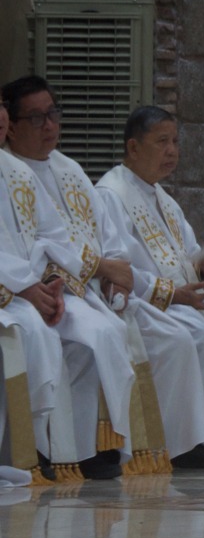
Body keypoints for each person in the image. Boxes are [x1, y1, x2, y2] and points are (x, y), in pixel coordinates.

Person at [94, 106, 204, 466]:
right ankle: (187, 441)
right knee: (196, 334)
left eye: (175, 141)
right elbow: (117, 268)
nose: (172, 150)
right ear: (134, 148)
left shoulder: (166, 201)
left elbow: (191, 258)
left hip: (185, 297)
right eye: (162, 142)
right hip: (144, 301)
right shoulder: (111, 194)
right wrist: (172, 294)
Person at [3, 76, 145, 478]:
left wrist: (113, 269)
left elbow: (82, 233)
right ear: (12, 125)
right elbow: (40, 246)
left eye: (53, 114)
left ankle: (90, 446)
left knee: (103, 337)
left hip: (72, 288)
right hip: (39, 288)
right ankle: (47, 450)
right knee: (92, 338)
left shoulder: (68, 169)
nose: (49, 125)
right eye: (36, 118)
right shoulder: (17, 171)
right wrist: (59, 278)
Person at [0, 143, 95, 481]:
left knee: (67, 332)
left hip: (27, 290)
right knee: (28, 331)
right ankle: (23, 451)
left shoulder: (19, 172)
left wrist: (51, 279)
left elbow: (53, 235)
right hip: (13, 293)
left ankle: (49, 447)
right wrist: (24, 286)